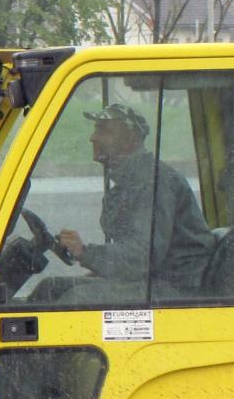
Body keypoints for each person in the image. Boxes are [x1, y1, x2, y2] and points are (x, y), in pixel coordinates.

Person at [57, 103, 215, 299]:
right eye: (96, 129)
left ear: (130, 139)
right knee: (53, 287)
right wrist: (99, 268)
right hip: (151, 280)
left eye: (104, 130)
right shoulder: (129, 182)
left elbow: (143, 257)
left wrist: (85, 252)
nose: (93, 137)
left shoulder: (153, 183)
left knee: (76, 298)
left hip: (175, 287)